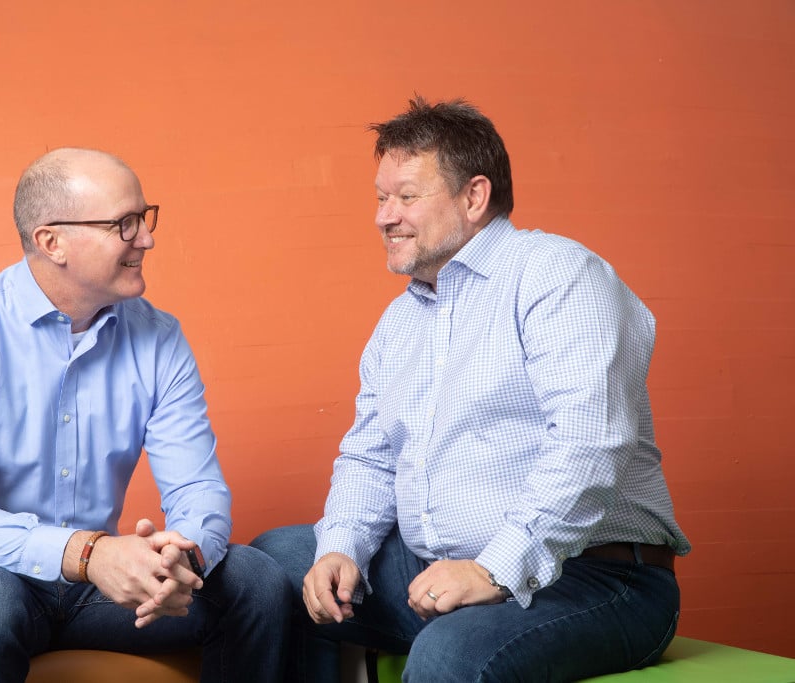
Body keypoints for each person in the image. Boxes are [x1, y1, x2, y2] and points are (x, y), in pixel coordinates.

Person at [251, 97, 691, 682]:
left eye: (406, 197)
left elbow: (590, 445)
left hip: (594, 578)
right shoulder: (400, 323)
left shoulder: (560, 277)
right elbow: (370, 457)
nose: (384, 217)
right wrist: (340, 548)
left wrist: (491, 570)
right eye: (381, 198)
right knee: (275, 563)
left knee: (451, 653)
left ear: (474, 197)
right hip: (437, 569)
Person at [0, 147, 288, 683]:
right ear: (52, 242)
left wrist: (178, 563)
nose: (146, 238)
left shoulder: (159, 338)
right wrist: (89, 552)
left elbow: (198, 488)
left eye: (144, 218)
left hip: (85, 590)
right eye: (124, 223)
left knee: (256, 580)